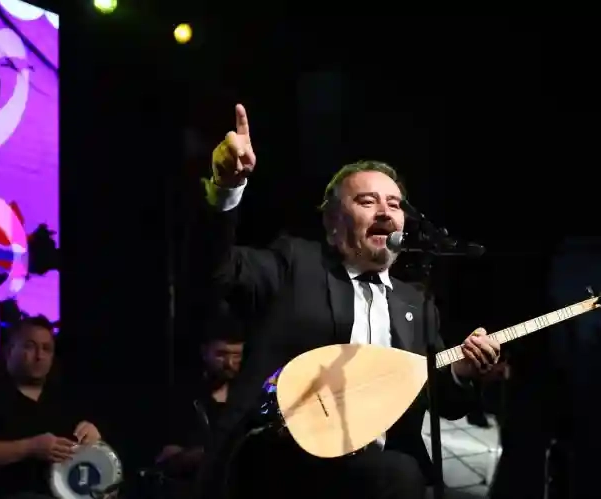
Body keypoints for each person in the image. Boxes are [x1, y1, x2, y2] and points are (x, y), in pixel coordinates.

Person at [197, 104, 502, 499]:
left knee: (401, 472)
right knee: (396, 474)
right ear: (332, 223)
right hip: (282, 456)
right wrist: (225, 191)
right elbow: (215, 271)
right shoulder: (295, 263)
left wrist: (461, 370)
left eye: (395, 204)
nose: (385, 212)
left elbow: (445, 402)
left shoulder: (416, 304)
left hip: (375, 469)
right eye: (367, 202)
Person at [0, 316, 103, 499]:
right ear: (9, 351)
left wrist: (94, 440)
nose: (39, 356)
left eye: (46, 349)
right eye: (29, 347)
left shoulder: (65, 399)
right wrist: (29, 448)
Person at [156, 312, 245, 478]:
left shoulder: (247, 396)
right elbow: (167, 457)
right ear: (204, 352)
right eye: (221, 355)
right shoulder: (183, 397)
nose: (229, 363)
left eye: (236, 355)